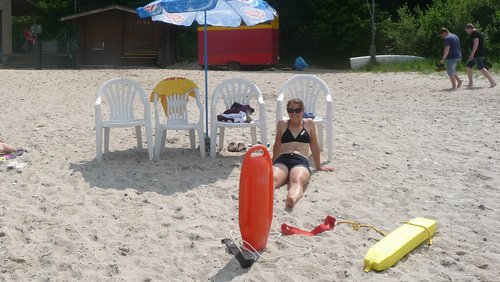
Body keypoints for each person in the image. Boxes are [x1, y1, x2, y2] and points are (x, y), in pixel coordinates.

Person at [272, 98, 334, 208]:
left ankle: (292, 198)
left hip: (300, 160)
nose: (294, 113)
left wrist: (318, 166)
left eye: (297, 110)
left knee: (297, 180)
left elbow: (314, 146)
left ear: (303, 110)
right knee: (273, 180)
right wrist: (272, 162)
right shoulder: (282, 124)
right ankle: (265, 197)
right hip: (283, 159)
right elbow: (277, 145)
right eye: (290, 110)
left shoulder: (309, 124)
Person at [464, 23, 497, 88]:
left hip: (477, 54)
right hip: (476, 54)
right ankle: (470, 83)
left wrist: (472, 54)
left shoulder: (475, 33)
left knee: (481, 68)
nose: (467, 32)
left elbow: (476, 43)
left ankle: (493, 82)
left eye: (467, 31)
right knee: (468, 66)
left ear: (469, 28)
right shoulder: (476, 33)